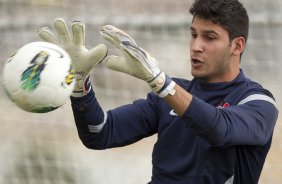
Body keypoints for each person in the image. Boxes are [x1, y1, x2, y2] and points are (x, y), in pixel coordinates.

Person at [38, 0, 279, 183]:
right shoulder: (168, 95)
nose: (196, 46)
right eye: (193, 34)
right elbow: (100, 134)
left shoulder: (258, 103)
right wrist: (80, 87)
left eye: (210, 38)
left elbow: (219, 128)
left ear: (237, 45)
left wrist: (161, 82)